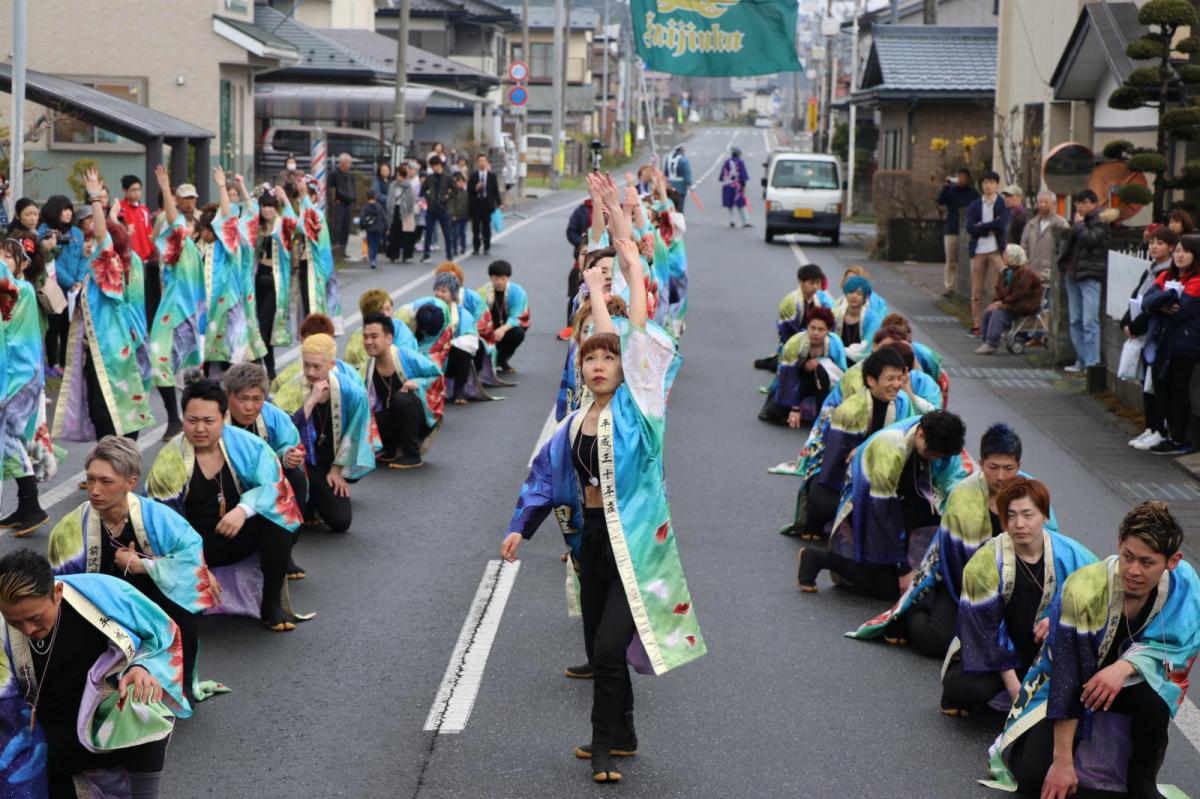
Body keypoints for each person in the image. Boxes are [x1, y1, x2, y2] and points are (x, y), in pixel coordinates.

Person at [501, 240, 705, 784]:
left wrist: (627, 262)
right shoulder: (573, 425)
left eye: (608, 357)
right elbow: (543, 481)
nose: (597, 365)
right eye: (589, 358)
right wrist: (520, 530)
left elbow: (634, 335)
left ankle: (602, 749)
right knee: (598, 645)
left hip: (632, 546)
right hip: (590, 542)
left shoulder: (642, 414)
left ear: (625, 369)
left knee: (610, 650)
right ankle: (627, 731)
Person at [983, 502, 1200, 799]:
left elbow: (1182, 645)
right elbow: (1066, 676)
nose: (1133, 571)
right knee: (1034, 782)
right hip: (1066, 685)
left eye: (1147, 563)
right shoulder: (1085, 589)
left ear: (1172, 561)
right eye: (1128, 557)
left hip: (1123, 682)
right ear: (1119, 544)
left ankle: (1142, 779)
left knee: (1155, 699)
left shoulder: (1185, 582)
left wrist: (1125, 666)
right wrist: (1061, 762)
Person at [0, 549, 192, 798]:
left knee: (143, 708)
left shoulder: (105, 594)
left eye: (35, 618)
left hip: (102, 716)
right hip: (42, 734)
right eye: (15, 622)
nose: (27, 629)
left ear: (57, 593)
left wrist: (141, 667)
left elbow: (163, 635)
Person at [47, 435, 226, 702]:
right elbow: (59, 586)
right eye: (91, 479)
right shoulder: (68, 531)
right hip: (101, 608)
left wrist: (140, 565)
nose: (95, 490)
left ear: (131, 483)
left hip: (155, 602)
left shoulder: (159, 518)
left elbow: (189, 562)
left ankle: (183, 682)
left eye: (106, 481)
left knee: (185, 604)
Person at [848, 424, 1039, 659]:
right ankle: (914, 611)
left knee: (1031, 639)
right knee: (938, 641)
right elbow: (961, 564)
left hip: (1015, 580)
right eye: (993, 467)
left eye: (1008, 468)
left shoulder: (1031, 493)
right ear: (981, 463)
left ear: (1019, 466)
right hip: (959, 578)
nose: (1000, 476)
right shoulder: (964, 496)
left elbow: (1048, 547)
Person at [146, 378, 303, 630]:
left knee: (278, 517)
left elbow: (274, 487)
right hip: (191, 545)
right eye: (192, 420)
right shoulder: (168, 460)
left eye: (209, 421)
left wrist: (243, 510)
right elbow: (161, 524)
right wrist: (194, 562)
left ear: (223, 418)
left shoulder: (248, 445)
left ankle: (271, 603)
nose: (199, 429)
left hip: (237, 535)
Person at [942, 478, 1095, 717]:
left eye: (1028, 514)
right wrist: (1016, 690)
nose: (1019, 524)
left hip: (1048, 651)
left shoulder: (1072, 554)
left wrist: (1059, 616)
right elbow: (986, 631)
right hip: (997, 655)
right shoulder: (985, 562)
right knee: (969, 689)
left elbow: (1100, 595)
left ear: (1045, 516)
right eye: (1011, 516)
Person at [798, 411, 969, 599]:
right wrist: (903, 568)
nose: (935, 459)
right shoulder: (891, 447)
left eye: (940, 456)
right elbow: (883, 513)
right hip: (869, 505)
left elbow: (952, 481)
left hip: (909, 498)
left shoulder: (939, 434)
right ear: (920, 434)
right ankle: (818, 558)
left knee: (956, 520)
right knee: (889, 587)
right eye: (932, 454)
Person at [52, 169, 155, 444]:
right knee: (112, 406)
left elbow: (102, 235)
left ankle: (117, 458)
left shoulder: (111, 265)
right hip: (111, 344)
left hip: (110, 347)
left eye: (91, 240)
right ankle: (114, 458)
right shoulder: (118, 265)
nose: (89, 243)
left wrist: (97, 199)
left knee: (106, 408)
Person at [789, 346, 934, 540]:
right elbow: (836, 459)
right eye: (890, 379)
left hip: (884, 469)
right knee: (826, 502)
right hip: (843, 473)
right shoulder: (849, 411)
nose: (897, 384)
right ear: (871, 380)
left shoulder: (903, 402)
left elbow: (907, 439)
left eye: (900, 378)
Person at [274, 334, 377, 532]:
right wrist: (311, 401)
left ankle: (314, 502)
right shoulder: (294, 387)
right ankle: (306, 505)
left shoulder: (351, 392)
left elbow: (357, 433)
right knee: (293, 519)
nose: (310, 372)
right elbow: (283, 432)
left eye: (317, 366)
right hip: (299, 463)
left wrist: (338, 469)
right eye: (306, 365)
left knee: (340, 521)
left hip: (328, 465)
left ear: (331, 364)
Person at [0, 239, 55, 536]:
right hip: (19, 375)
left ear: (22, 263)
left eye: (9, 256)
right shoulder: (16, 290)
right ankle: (25, 507)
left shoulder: (20, 290)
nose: (2, 259)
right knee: (12, 439)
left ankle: (32, 506)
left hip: (17, 377)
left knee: (8, 439)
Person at [1141, 233, 1200, 455]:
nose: (1179, 255)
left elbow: (1181, 311)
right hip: (1163, 342)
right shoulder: (1165, 275)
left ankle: (1178, 438)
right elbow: (1147, 300)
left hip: (1185, 344)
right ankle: (1167, 433)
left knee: (1178, 390)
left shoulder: (1197, 281)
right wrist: (1163, 304)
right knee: (1161, 388)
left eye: (1185, 251)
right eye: (1177, 251)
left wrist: (1160, 305)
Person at [361, 312, 443, 469]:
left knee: (401, 398)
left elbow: (437, 376)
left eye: (374, 336)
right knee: (366, 410)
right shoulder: (369, 366)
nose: (368, 341)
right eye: (365, 337)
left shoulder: (406, 356)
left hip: (419, 418)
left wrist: (418, 382)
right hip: (394, 419)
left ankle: (412, 455)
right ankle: (390, 450)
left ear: (389, 338)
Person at [1125, 227, 1178, 451]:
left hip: (1153, 335)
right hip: (1142, 333)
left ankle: (1159, 429)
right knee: (1145, 384)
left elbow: (1151, 305)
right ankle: (1150, 427)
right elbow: (1138, 296)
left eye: (1160, 243)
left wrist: (1135, 325)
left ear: (1172, 247)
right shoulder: (1151, 269)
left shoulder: (1168, 274)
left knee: (1155, 383)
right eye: (1152, 243)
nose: (1154, 247)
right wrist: (1125, 322)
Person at [759, 307, 846, 427]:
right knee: (774, 413)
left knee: (820, 369)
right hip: (797, 382)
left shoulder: (835, 343)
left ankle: (822, 414)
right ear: (807, 327)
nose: (815, 333)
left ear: (828, 330)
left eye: (821, 329)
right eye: (813, 328)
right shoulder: (795, 343)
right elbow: (787, 377)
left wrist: (821, 361)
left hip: (825, 385)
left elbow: (842, 373)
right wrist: (794, 407)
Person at [1057, 189, 1109, 372]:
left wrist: (1078, 226)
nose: (1080, 206)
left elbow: (1091, 240)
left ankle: (1092, 363)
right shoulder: (1081, 223)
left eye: (1084, 202)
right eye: (1078, 202)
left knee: (1089, 321)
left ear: (1094, 204)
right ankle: (1081, 360)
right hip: (1073, 274)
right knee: (1075, 320)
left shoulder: (1100, 222)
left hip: (1090, 276)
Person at [754, 263, 834, 372]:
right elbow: (788, 332)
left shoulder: (817, 299)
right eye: (811, 283)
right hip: (793, 341)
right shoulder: (791, 302)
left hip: (810, 338)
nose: (815, 287)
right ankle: (773, 361)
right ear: (801, 282)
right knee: (786, 368)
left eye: (817, 283)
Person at [37, 195, 79, 378]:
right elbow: (52, 262)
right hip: (55, 287)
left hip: (75, 288)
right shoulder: (45, 231)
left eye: (70, 208)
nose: (68, 212)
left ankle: (65, 363)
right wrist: (70, 282)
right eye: (64, 209)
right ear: (55, 211)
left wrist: (77, 281)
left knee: (69, 327)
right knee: (53, 327)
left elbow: (83, 258)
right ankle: (53, 363)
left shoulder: (77, 232)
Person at [110, 175, 159, 330]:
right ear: (125, 191)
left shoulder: (145, 210)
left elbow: (149, 233)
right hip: (128, 260)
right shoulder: (120, 210)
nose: (136, 193)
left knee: (144, 297)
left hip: (144, 260)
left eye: (139, 189)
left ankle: (143, 328)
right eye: (133, 190)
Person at [975, 244, 1042, 355]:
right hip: (1012, 303)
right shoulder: (1006, 271)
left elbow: (1019, 293)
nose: (1003, 256)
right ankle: (986, 340)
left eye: (1006, 254)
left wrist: (1002, 303)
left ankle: (992, 343)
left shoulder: (1025, 272)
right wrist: (996, 301)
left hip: (1024, 305)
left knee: (999, 314)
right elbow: (998, 289)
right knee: (989, 311)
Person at [965, 171, 1009, 337]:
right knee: (976, 290)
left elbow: (1002, 224)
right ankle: (977, 323)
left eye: (991, 182)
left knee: (995, 289)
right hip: (978, 251)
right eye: (985, 182)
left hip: (996, 250)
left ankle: (992, 323)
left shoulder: (1002, 204)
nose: (988, 186)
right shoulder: (975, 205)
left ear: (997, 184)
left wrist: (981, 226)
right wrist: (988, 227)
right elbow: (969, 227)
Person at [478, 259, 530, 373]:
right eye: (496, 279)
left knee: (518, 334)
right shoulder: (482, 292)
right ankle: (484, 364)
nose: (500, 282)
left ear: (508, 277)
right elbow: (478, 315)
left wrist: (502, 329)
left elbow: (519, 315)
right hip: (487, 328)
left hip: (507, 328)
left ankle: (502, 359)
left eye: (503, 278)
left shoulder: (518, 292)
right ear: (491, 278)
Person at [936, 167, 979, 298]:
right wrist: (946, 186)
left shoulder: (973, 194)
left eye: (964, 177)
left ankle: (966, 288)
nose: (961, 179)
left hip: (968, 231)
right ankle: (950, 287)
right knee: (951, 259)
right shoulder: (951, 191)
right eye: (959, 176)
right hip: (952, 228)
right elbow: (940, 200)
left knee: (966, 260)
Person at [1019, 190, 1068, 280]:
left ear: (1054, 204)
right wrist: (1025, 264)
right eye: (1040, 202)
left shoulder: (1060, 223)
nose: (1042, 205)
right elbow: (1024, 245)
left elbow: (1065, 248)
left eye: (1046, 202)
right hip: (1032, 270)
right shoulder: (1031, 224)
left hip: (1051, 272)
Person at [420, 156, 454, 263]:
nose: (432, 168)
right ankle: (426, 254)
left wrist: (447, 197)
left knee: (447, 232)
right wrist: (428, 197)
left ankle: (449, 253)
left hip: (443, 208)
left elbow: (455, 190)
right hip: (431, 208)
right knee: (428, 231)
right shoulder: (430, 178)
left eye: (433, 166)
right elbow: (422, 191)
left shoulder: (448, 177)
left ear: (439, 165)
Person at [469, 153, 503, 256]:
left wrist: (499, 203)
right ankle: (476, 247)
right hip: (476, 204)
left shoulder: (491, 176)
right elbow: (469, 190)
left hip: (487, 204)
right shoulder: (474, 175)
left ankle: (487, 247)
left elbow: (495, 191)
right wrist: (476, 188)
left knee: (486, 226)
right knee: (475, 227)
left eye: (484, 161)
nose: (482, 163)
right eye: (480, 161)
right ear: (477, 163)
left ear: (487, 162)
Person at [386, 163, 418, 263]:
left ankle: (406, 255)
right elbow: (390, 198)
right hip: (394, 210)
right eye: (397, 175)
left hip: (405, 212)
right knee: (394, 233)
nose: (397, 177)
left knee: (406, 234)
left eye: (400, 175)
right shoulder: (392, 185)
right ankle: (393, 255)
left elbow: (411, 200)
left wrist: (406, 208)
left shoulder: (409, 187)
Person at [329, 152, 355, 254]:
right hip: (338, 203)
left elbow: (352, 188)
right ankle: (335, 247)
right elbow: (331, 189)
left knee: (346, 226)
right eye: (348, 162)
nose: (350, 164)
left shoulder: (350, 175)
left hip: (348, 203)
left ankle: (343, 249)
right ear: (342, 163)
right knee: (337, 226)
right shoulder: (334, 174)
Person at [719, 147, 751, 228]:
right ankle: (745, 221)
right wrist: (743, 186)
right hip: (737, 186)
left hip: (728, 185)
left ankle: (732, 220)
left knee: (730, 204)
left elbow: (723, 175)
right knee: (741, 204)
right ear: (738, 154)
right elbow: (742, 175)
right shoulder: (740, 162)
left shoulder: (727, 162)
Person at [359, 189, 387, 270]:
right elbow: (384, 217)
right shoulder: (379, 206)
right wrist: (386, 226)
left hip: (369, 228)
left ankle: (372, 260)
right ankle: (374, 258)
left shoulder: (365, 207)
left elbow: (362, 219)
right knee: (376, 244)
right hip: (378, 228)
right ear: (375, 197)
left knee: (370, 244)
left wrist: (362, 227)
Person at [447, 174, 469, 259]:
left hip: (464, 216)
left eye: (462, 182)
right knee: (455, 233)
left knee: (462, 233)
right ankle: (455, 249)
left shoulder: (466, 193)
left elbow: (468, 204)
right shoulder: (453, 193)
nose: (461, 183)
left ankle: (463, 247)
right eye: (459, 182)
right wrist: (453, 215)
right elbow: (451, 205)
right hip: (456, 216)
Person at [665, 145, 693, 211]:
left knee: (671, 204)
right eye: (684, 150)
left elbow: (666, 173)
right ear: (681, 151)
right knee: (680, 205)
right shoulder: (684, 160)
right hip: (680, 186)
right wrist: (689, 184)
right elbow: (687, 173)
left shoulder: (668, 159)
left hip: (670, 185)